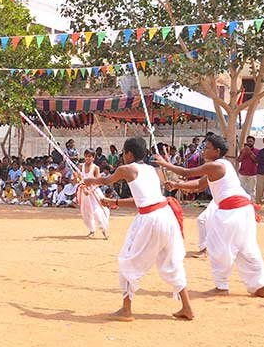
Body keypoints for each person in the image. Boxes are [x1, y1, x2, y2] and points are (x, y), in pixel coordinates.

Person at [83, 137, 193, 321]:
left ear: (129, 154)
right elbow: (142, 201)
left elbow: (107, 180)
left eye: (124, 153)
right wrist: (114, 201)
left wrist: (90, 181)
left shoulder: (127, 169)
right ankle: (187, 307)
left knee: (127, 260)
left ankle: (126, 309)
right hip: (166, 215)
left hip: (150, 220)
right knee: (171, 261)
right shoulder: (151, 170)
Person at [156, 135, 264, 298]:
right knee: (247, 249)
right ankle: (259, 286)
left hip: (231, 212)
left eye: (207, 147)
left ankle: (222, 286)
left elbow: (187, 172)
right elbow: (199, 184)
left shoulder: (216, 166)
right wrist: (177, 185)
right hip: (243, 211)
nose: (204, 150)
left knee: (219, 248)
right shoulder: (222, 165)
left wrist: (164, 163)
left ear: (217, 151)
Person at [77, 149, 109, 239]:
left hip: (94, 192)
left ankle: (104, 230)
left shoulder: (95, 168)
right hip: (84, 192)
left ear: (93, 158)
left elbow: (98, 182)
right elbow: (78, 179)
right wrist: (81, 185)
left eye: (89, 156)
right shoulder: (80, 166)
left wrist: (90, 190)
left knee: (97, 212)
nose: (87, 158)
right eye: (86, 156)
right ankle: (91, 230)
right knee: (85, 212)